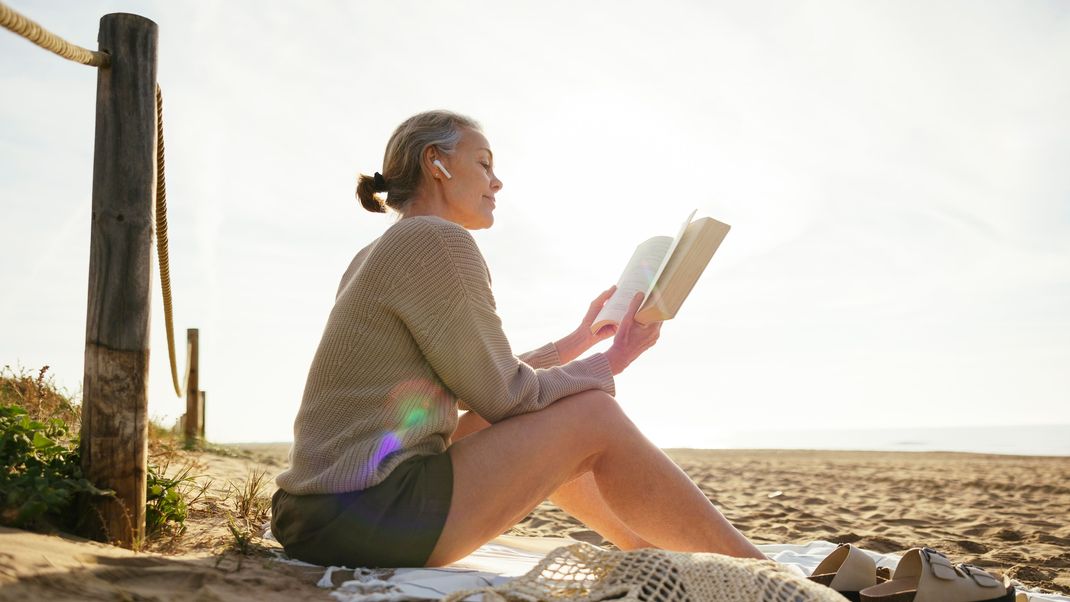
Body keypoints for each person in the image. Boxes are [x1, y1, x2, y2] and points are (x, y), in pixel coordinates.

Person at [271, 110, 764, 569]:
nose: (496, 181)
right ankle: (762, 576)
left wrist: (579, 340)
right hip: (364, 516)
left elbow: (477, 384)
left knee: (550, 410)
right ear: (436, 164)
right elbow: (505, 395)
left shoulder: (382, 248)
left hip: (313, 515)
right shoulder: (438, 240)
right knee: (592, 413)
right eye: (484, 164)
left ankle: (656, 554)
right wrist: (615, 360)